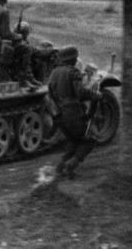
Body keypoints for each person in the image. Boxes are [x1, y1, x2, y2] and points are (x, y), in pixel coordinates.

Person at [48, 45, 102, 179]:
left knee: (74, 139)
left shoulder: (54, 73)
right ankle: (71, 165)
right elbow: (80, 93)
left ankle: (60, 166)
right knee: (92, 138)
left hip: (60, 115)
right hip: (74, 114)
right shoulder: (74, 73)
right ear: (73, 60)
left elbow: (50, 92)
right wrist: (96, 96)